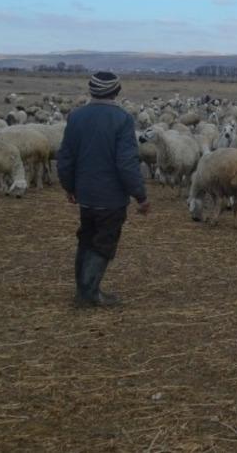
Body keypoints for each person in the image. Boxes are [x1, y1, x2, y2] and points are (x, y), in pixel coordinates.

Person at [57, 71, 150, 307]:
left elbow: (66, 156)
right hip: (110, 197)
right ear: (116, 92)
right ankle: (89, 294)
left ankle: (83, 290)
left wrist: (68, 186)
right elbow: (126, 163)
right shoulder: (122, 119)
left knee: (87, 239)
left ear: (91, 90)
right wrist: (140, 195)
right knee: (103, 242)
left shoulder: (76, 116)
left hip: (86, 195)